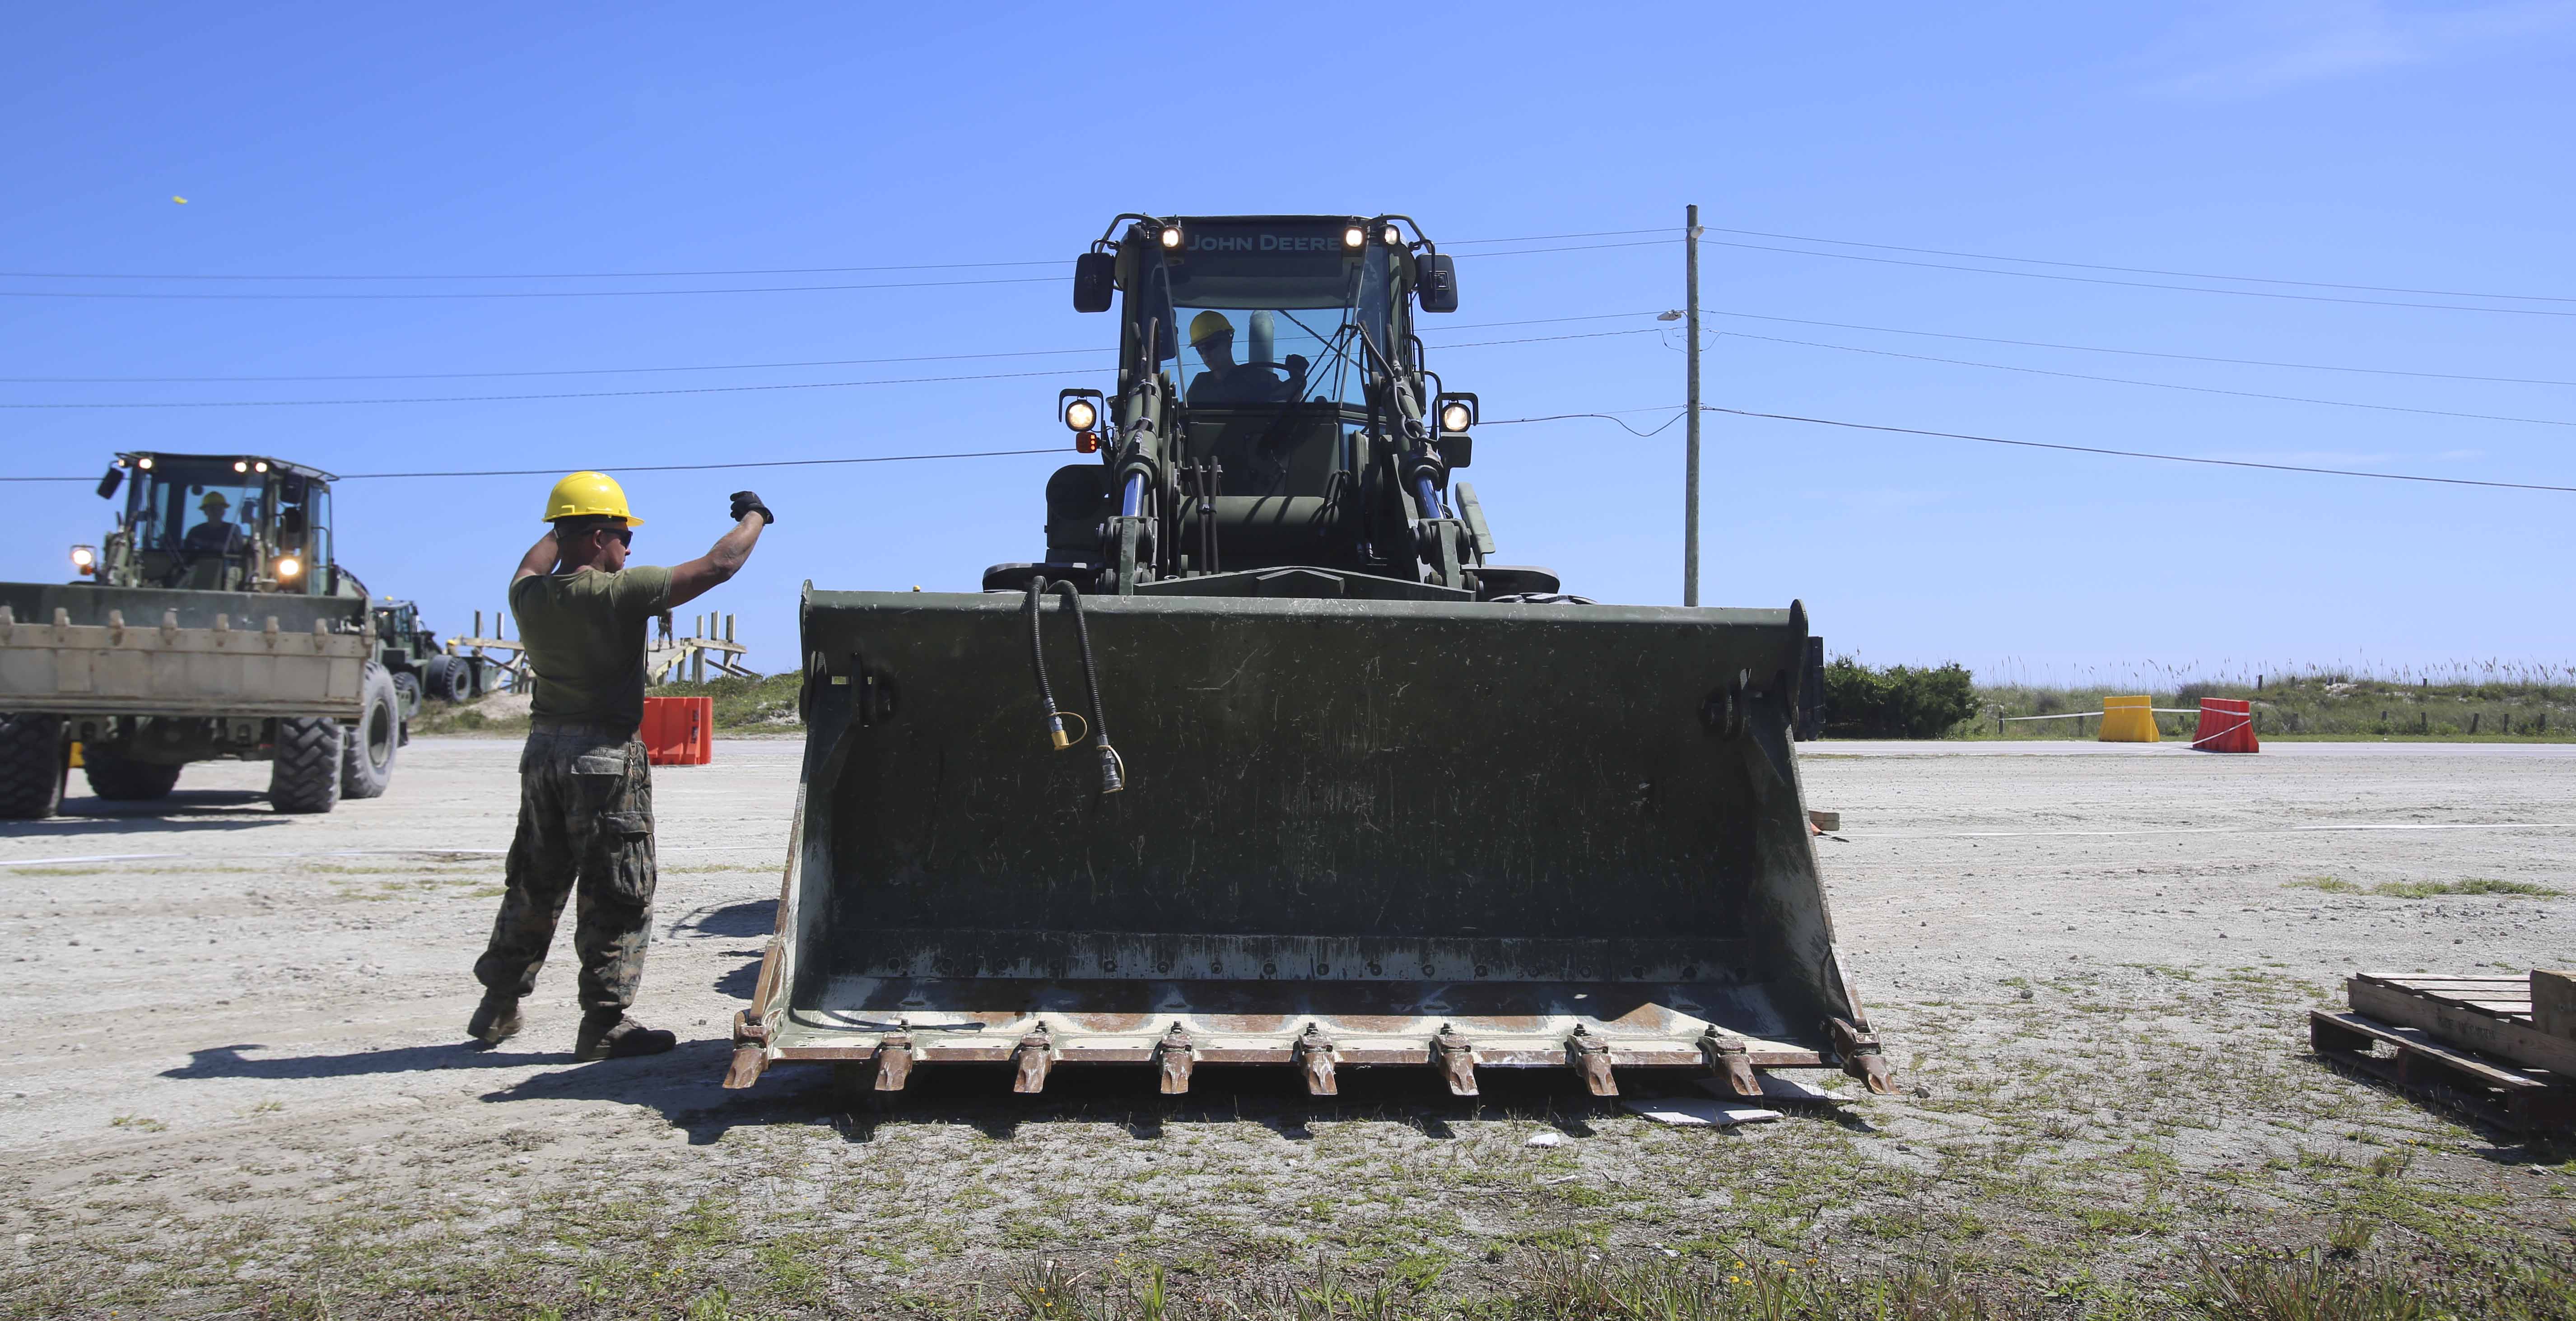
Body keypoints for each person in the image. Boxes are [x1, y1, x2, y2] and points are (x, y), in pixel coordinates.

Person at [466, 471, 771, 1060]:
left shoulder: (527, 595)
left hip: (544, 755)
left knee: (534, 882)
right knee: (618, 890)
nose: (630, 548)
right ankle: (603, 1021)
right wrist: (756, 517)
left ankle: (498, 1003)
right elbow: (717, 567)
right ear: (599, 536)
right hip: (604, 760)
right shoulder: (617, 593)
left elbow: (535, 558)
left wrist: (564, 526)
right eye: (623, 535)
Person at [1184, 311, 1303, 406]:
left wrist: (1297, 377)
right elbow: (1184, 420)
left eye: (1210, 346)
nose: (1205, 354)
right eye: (1200, 349)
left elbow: (1292, 397)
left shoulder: (1258, 379)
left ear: (1228, 341)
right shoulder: (1200, 384)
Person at [181, 491, 244, 555]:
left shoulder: (234, 530)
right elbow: (186, 556)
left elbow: (240, 554)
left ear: (224, 512)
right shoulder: (195, 532)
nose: (216, 512)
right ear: (205, 512)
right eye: (212, 509)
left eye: (219, 509)